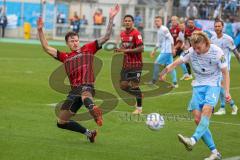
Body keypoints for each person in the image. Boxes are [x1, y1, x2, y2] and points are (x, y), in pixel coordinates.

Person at [37, 4, 120, 143]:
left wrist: (111, 18)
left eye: (76, 40)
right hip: (73, 92)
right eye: (72, 41)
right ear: (67, 44)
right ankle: (89, 133)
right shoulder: (65, 57)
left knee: (84, 95)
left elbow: (106, 37)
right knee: (61, 122)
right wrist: (40, 30)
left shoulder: (88, 48)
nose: (75, 43)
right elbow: (46, 48)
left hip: (87, 86)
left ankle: (94, 111)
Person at [159, 31, 231, 160]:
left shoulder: (217, 52)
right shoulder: (191, 51)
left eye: (198, 47)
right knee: (198, 120)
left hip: (213, 85)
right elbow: (176, 63)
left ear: (205, 43)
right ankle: (215, 152)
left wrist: (226, 91)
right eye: (194, 47)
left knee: (206, 110)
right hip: (198, 86)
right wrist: (164, 72)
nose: (196, 50)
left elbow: (225, 73)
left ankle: (192, 140)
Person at [114, 15, 144, 114]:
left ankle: (139, 108)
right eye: (125, 21)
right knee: (123, 86)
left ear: (132, 22)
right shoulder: (122, 34)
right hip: (126, 64)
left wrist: (127, 50)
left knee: (135, 85)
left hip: (136, 64)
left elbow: (141, 48)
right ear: (124, 22)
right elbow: (125, 46)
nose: (127, 22)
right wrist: (120, 49)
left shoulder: (136, 33)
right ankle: (138, 94)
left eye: (129, 21)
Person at [211, 19, 239, 115]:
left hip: (225, 67)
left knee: (220, 86)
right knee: (219, 87)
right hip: (215, 67)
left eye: (219, 26)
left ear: (222, 27)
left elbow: (235, 52)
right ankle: (229, 106)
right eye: (216, 26)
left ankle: (228, 106)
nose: (217, 28)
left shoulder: (228, 39)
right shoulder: (213, 39)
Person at [148, 16, 178, 88]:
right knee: (170, 67)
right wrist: (154, 50)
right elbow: (159, 42)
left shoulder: (164, 29)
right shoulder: (159, 30)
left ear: (161, 22)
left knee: (156, 63)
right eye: (155, 21)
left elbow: (171, 38)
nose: (156, 22)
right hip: (165, 51)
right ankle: (175, 83)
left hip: (166, 51)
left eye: (158, 21)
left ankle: (154, 80)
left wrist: (173, 49)